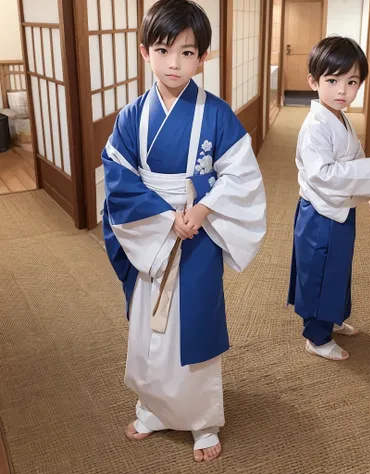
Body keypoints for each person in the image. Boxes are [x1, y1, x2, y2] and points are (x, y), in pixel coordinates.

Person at [102, 0, 266, 462]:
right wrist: (163, 217)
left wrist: (205, 208)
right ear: (144, 53)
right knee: (150, 328)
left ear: (203, 58)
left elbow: (242, 175)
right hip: (152, 232)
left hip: (198, 234)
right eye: (163, 50)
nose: (174, 63)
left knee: (192, 326)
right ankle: (153, 409)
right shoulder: (133, 116)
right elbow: (118, 175)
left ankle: (202, 420)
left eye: (187, 52)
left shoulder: (216, 113)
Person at [288, 36, 370, 361]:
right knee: (319, 272)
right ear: (313, 81)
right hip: (320, 215)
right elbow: (322, 174)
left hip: (339, 208)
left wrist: (363, 189)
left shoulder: (339, 117)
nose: (343, 90)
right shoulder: (315, 127)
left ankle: (333, 319)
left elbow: (350, 159)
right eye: (332, 80)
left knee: (337, 269)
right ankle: (316, 335)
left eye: (352, 82)